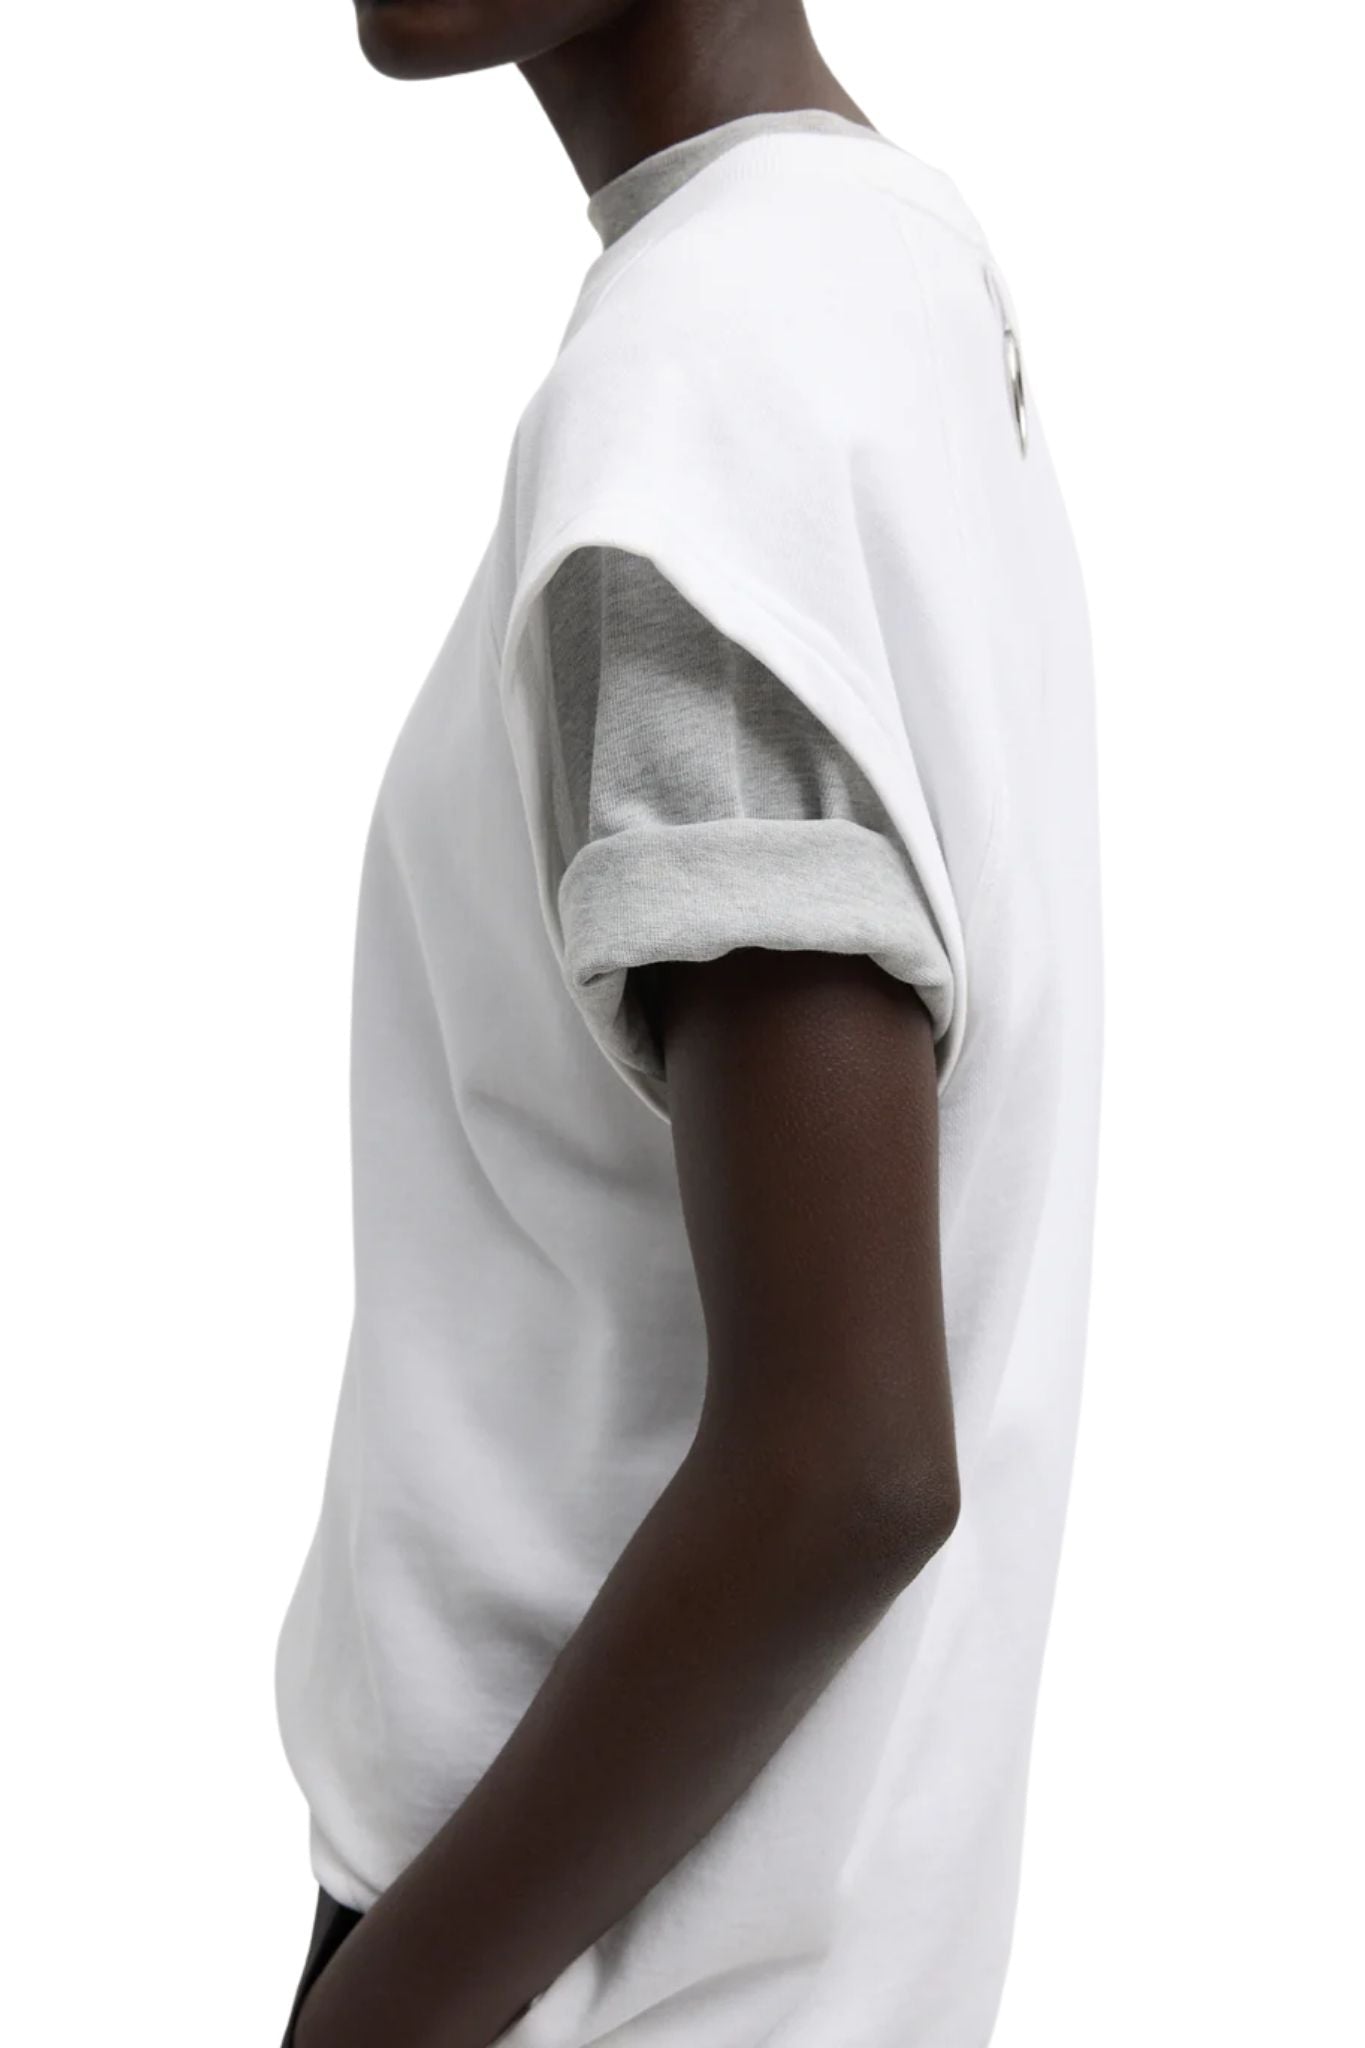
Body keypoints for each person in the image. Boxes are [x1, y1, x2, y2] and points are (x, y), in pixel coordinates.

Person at [272, 3, 1104, 2044]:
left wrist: (370, 2027)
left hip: (553, 1990)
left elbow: (846, 1462)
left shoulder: (698, 393)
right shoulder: (885, 276)